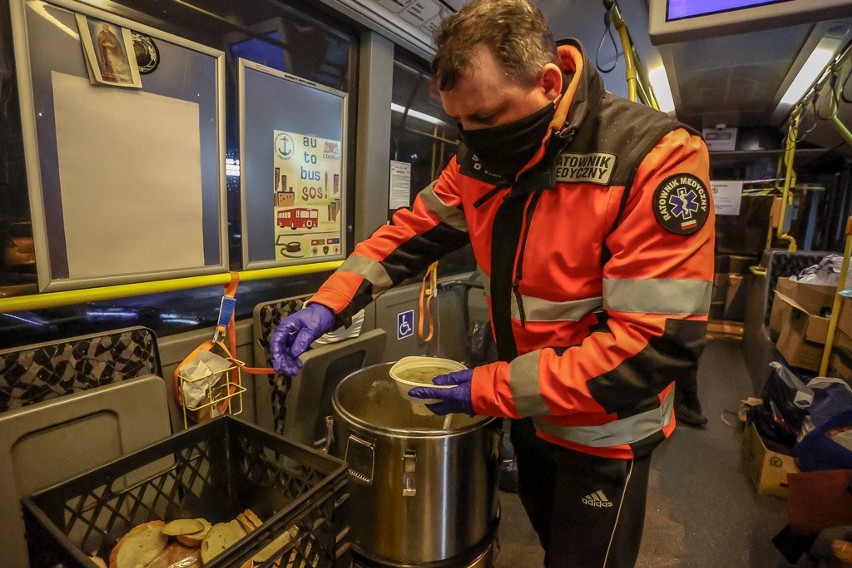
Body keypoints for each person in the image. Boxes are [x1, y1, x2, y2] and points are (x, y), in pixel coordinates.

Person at [269, 0, 715, 565]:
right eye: (459, 121)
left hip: (604, 430)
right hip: (529, 414)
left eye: (483, 118)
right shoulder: (482, 158)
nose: (469, 138)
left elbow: (655, 343)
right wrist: (327, 305)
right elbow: (411, 233)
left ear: (548, 83)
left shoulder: (653, 156)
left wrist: (489, 390)